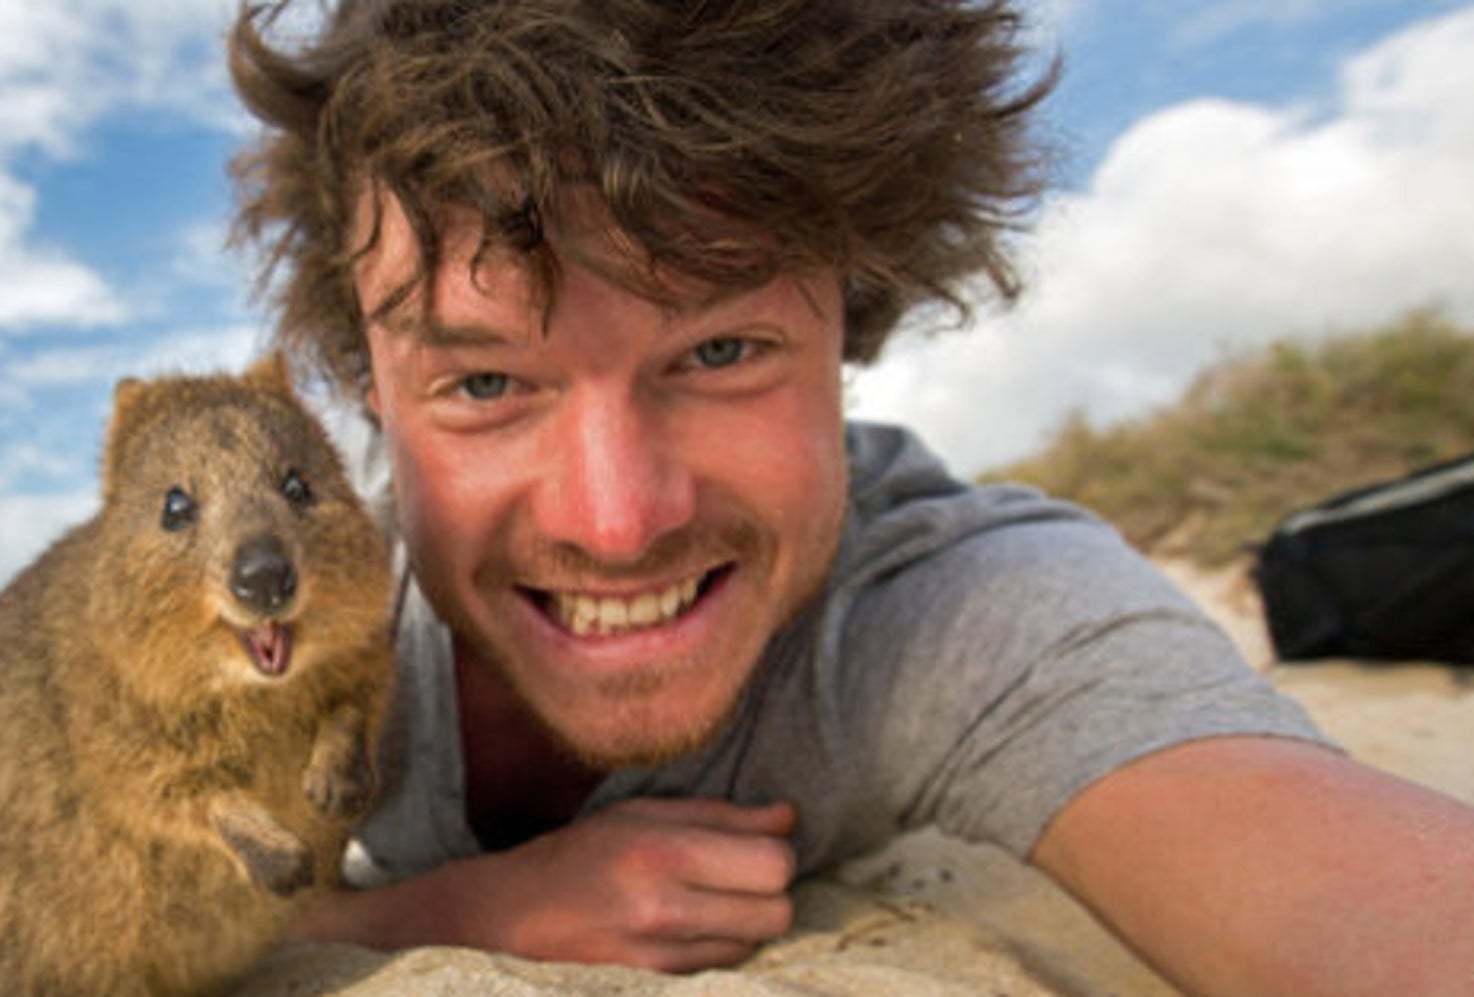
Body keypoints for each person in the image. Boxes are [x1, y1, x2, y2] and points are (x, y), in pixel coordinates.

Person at [226, 1, 1474, 993]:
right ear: (371, 392)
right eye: (486, 379)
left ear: (850, 322)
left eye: (719, 352)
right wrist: (442, 912)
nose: (617, 521)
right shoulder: (278, 618)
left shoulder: (953, 605)